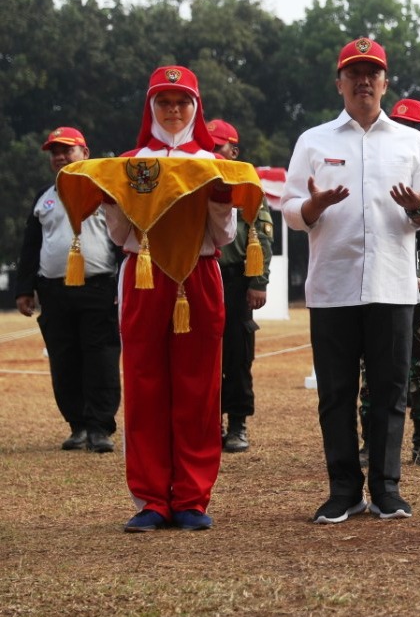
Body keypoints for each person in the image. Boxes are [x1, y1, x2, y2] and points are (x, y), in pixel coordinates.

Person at [282, 38, 420, 524]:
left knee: (391, 390)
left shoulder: (411, 142)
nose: (363, 81)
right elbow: (290, 208)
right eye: (354, 72)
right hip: (333, 285)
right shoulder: (314, 141)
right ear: (340, 83)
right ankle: (343, 490)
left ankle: (387, 489)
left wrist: (417, 208)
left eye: (372, 72)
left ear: (385, 82)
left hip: (392, 284)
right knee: (335, 393)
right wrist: (313, 207)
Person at [74, 67, 243, 532]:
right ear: (151, 108)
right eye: (164, 102)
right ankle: (151, 498)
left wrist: (220, 198)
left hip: (200, 273)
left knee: (199, 386)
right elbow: (120, 234)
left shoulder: (212, 161)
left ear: (196, 108)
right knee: (145, 383)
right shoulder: (130, 163)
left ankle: (192, 497)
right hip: (144, 277)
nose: (173, 110)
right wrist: (111, 200)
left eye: (182, 102)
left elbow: (223, 236)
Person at [358, 99, 420, 467]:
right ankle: (372, 441)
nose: (406, 132)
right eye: (399, 125)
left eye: (414, 128)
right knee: (374, 360)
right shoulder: (374, 171)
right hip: (383, 277)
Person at [15, 127, 121, 453]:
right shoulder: (44, 197)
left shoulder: (106, 192)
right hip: (54, 291)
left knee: (101, 359)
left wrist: (122, 286)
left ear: (85, 153)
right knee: (64, 361)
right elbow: (31, 246)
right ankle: (77, 426)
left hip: (99, 287)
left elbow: (120, 240)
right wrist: (25, 289)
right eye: (55, 152)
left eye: (67, 150)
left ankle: (100, 428)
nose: (60, 156)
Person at [207, 119, 273, 453]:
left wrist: (257, 282)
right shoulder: (193, 179)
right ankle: (207, 424)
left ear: (234, 151)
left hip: (234, 280)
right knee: (201, 358)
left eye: (218, 147)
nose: (212, 152)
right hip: (199, 280)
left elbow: (260, 235)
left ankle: (237, 423)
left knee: (237, 356)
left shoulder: (246, 184)